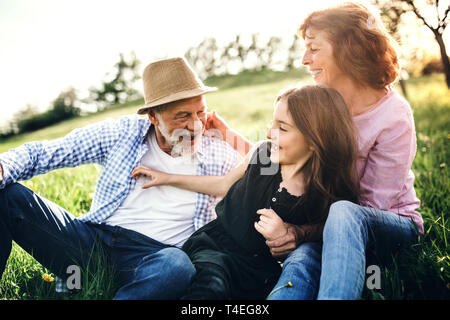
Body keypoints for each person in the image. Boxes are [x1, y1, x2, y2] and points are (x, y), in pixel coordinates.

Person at [207, 2, 423, 300]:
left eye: (314, 48)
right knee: (299, 263)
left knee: (343, 212)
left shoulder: (393, 116)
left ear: (348, 48)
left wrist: (300, 231)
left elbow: (367, 211)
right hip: (326, 229)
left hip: (388, 226)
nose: (304, 59)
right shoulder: (324, 104)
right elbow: (284, 154)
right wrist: (227, 135)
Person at [0, 57, 240, 299]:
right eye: (183, 116)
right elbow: (46, 153)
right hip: (92, 243)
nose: (196, 125)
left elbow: (269, 166)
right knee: (7, 195)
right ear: (153, 117)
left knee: (177, 265)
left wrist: (230, 134)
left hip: (154, 258)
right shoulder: (122, 133)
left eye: (201, 112)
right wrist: (3, 167)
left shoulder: (218, 153)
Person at [131, 84, 360, 299]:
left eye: (282, 128)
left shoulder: (324, 191)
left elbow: (330, 229)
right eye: (272, 124)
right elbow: (222, 185)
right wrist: (168, 178)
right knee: (211, 286)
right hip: (214, 248)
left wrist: (296, 232)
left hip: (258, 268)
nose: (270, 133)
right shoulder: (263, 155)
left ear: (315, 138)